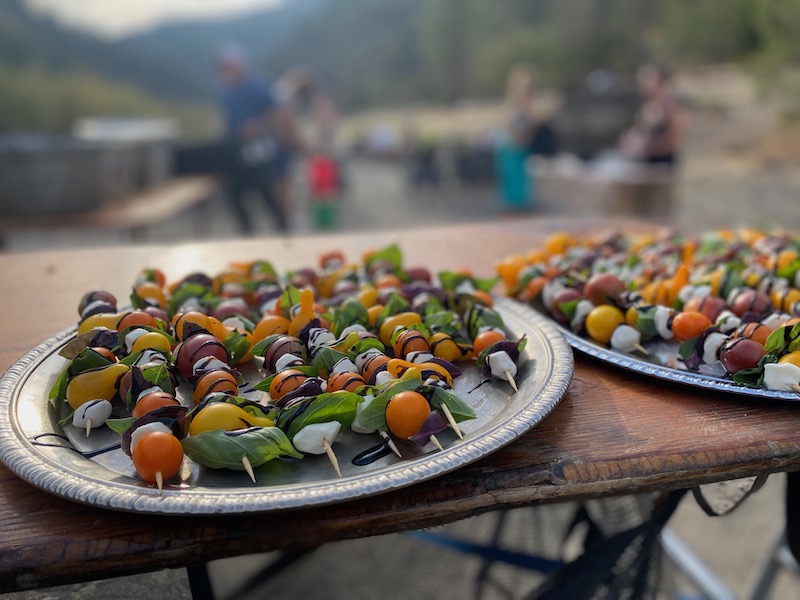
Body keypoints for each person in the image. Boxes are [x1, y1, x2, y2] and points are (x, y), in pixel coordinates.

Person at [218, 44, 301, 234]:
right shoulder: (228, 95)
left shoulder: (258, 88)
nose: (228, 71)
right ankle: (249, 235)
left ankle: (285, 233)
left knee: (276, 201)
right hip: (239, 156)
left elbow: (280, 115)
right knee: (235, 198)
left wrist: (258, 126)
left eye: (231, 67)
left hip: (265, 154)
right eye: (225, 68)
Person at [621, 65, 685, 166]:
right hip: (644, 163)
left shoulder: (673, 107)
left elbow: (676, 141)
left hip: (663, 165)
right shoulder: (647, 107)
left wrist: (649, 147)